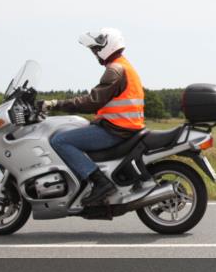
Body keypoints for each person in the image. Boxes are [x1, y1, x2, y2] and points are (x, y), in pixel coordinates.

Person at [40, 28, 145, 207]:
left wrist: (55, 104)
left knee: (60, 141)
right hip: (123, 126)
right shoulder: (123, 65)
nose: (95, 54)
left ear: (107, 47)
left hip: (115, 130)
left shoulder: (115, 69)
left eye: (96, 49)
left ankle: (100, 182)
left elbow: (92, 101)